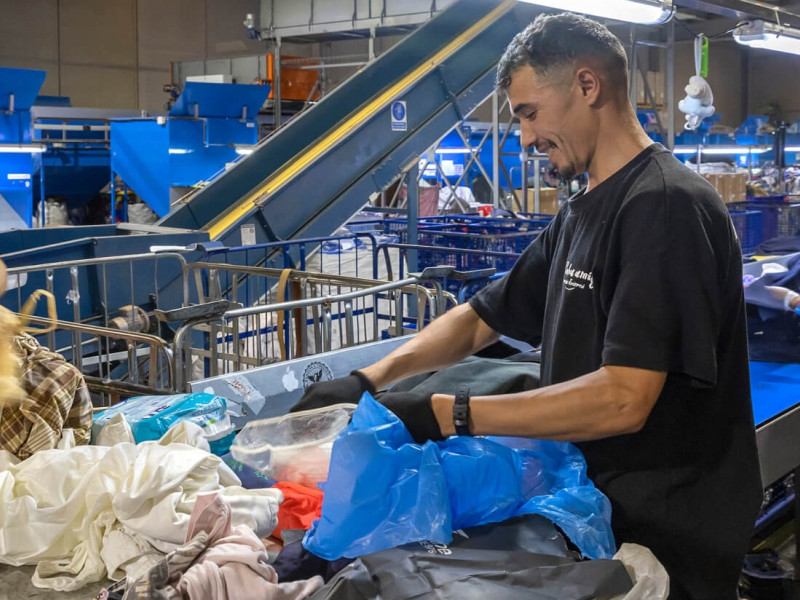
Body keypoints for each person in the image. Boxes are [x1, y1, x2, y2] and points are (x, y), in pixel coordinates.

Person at [291, 13, 762, 600]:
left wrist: (447, 414)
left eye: (529, 113)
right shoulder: (581, 210)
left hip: (669, 524)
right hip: (596, 504)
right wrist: (369, 377)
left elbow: (624, 398)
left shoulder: (662, 206)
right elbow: (482, 317)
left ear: (588, 86)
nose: (525, 138)